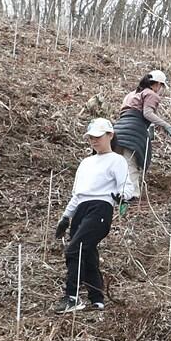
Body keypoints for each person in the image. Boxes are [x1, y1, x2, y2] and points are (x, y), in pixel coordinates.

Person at [52, 118, 127, 313]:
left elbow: (126, 187)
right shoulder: (86, 162)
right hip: (81, 210)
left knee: (74, 250)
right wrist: (66, 217)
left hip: (101, 208)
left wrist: (123, 197)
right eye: (91, 138)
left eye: (98, 137)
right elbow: (77, 195)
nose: (94, 141)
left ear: (110, 135)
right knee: (88, 252)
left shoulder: (117, 160)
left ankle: (72, 296)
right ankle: (97, 298)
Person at [112, 70, 171, 200]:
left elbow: (129, 112)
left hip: (118, 129)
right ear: (157, 84)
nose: (160, 89)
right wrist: (165, 125)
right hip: (134, 131)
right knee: (130, 163)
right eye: (161, 86)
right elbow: (147, 113)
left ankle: (115, 191)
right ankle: (132, 195)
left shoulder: (132, 94)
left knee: (117, 163)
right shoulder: (151, 94)